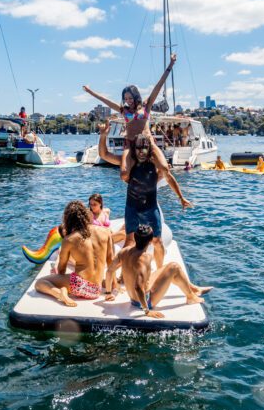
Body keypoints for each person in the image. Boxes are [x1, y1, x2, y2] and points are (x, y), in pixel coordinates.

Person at [98, 122, 191, 268]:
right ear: (134, 149)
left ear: (149, 149)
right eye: (138, 148)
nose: (141, 151)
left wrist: (180, 197)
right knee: (129, 241)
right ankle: (123, 273)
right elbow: (104, 154)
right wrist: (103, 135)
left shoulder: (155, 165)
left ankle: (159, 271)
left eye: (145, 148)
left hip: (150, 208)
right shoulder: (130, 163)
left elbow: (169, 177)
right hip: (132, 208)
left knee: (157, 242)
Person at [82, 53, 176, 181]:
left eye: (130, 98)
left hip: (148, 143)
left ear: (136, 96)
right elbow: (106, 100)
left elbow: (158, 86)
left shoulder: (146, 106)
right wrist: (90, 91)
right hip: (130, 144)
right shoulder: (124, 110)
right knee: (124, 174)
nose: (128, 101)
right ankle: (135, 188)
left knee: (165, 169)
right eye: (125, 99)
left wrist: (171, 64)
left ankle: (151, 185)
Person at [104, 224, 211, 318]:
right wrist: (147, 311)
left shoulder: (124, 251)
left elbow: (109, 271)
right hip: (146, 301)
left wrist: (108, 293)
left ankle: (192, 289)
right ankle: (190, 297)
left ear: (135, 238)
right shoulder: (144, 259)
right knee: (174, 267)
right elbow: (138, 287)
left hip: (133, 299)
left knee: (165, 268)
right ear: (150, 241)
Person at [35, 200, 114, 307]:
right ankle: (63, 290)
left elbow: (61, 269)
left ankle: (59, 293)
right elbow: (111, 262)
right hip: (97, 288)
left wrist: (59, 279)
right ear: (86, 216)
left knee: (40, 283)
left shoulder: (69, 239)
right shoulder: (106, 232)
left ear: (68, 220)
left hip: (78, 286)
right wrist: (114, 284)